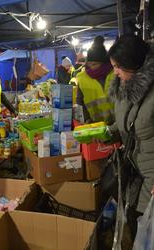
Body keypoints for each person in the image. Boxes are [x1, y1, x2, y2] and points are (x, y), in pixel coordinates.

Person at [107, 34, 154, 241]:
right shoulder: (124, 88)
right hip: (135, 175)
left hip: (152, 180)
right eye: (113, 66)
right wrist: (108, 133)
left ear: (133, 63)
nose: (115, 72)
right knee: (137, 227)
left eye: (118, 66)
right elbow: (128, 124)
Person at [76, 36, 115, 124]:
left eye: (95, 64)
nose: (92, 67)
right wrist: (86, 119)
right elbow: (80, 102)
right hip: (95, 125)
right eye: (89, 64)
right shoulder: (82, 77)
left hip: (118, 124)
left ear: (104, 62)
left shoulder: (116, 73)